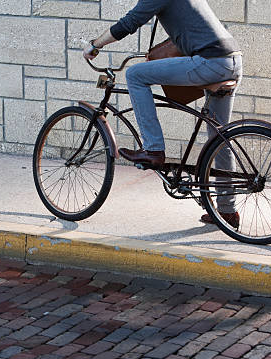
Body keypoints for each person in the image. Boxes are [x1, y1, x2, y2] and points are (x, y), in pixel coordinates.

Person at [83, 0, 242, 227]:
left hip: (211, 62)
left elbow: (130, 22)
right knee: (219, 139)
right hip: (232, 60)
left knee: (136, 75)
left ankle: (153, 149)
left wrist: (94, 45)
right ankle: (227, 211)